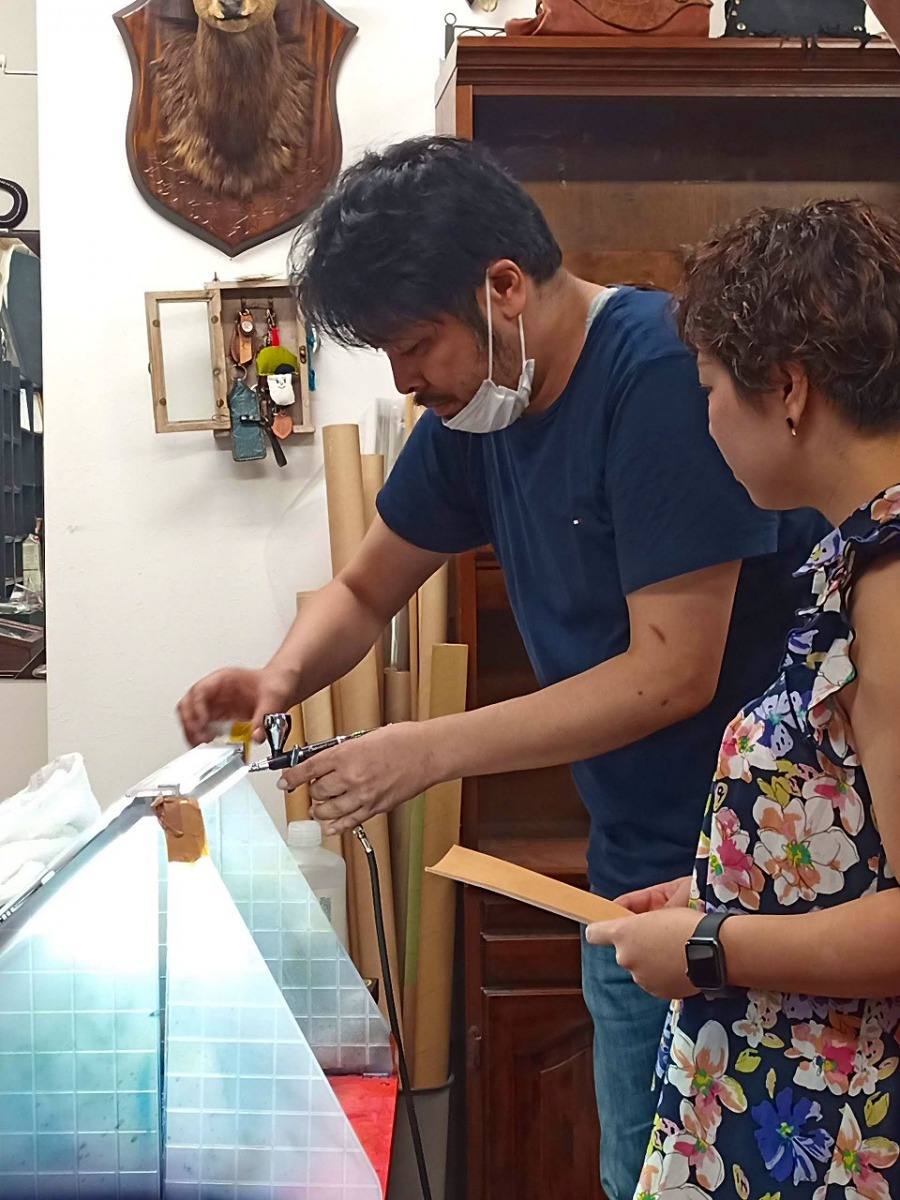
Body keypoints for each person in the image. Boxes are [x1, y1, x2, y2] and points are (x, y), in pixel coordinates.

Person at [178, 137, 824, 1200]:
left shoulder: (660, 378)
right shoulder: (480, 408)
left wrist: (425, 751)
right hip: (632, 869)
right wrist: (278, 679)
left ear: (505, 288)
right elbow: (364, 590)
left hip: (768, 882)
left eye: (416, 345)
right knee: (640, 1176)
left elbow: (671, 672)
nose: (406, 381)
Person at [588, 198, 900, 1200]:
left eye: (712, 388)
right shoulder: (853, 557)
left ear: (790, 389)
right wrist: (729, 891)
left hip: (842, 1120)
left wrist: (711, 946)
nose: (707, 418)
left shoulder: (892, 581)